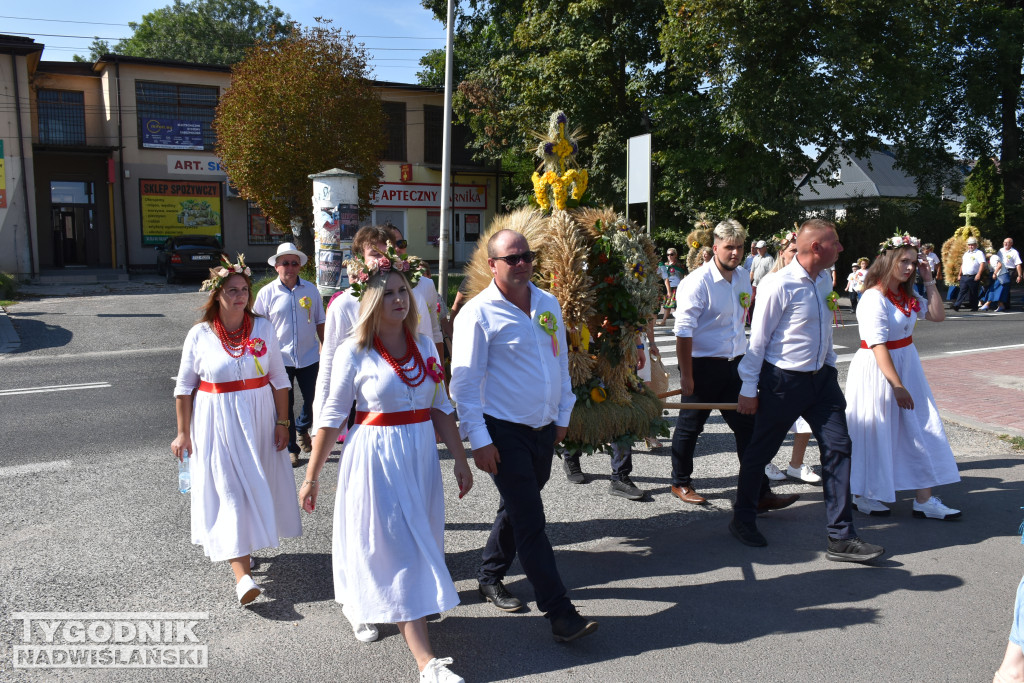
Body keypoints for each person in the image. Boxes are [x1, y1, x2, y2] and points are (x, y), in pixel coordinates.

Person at [299, 245, 473, 683]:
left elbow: (440, 406)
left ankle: (391, 604)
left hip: (418, 455)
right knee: (393, 546)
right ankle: (426, 663)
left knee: (419, 539)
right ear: (372, 300)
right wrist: (312, 476)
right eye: (389, 292)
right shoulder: (354, 351)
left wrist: (460, 460)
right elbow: (331, 416)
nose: (399, 298)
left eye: (403, 290)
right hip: (375, 457)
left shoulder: (423, 348)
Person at [450, 229, 598, 643]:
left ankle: (489, 575)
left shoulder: (547, 303)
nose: (521, 264)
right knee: (531, 520)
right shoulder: (476, 314)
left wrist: (563, 414)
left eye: (526, 256)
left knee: (518, 508)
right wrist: (478, 439)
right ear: (492, 265)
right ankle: (560, 614)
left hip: (543, 430)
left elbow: (560, 362)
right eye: (511, 258)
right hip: (503, 431)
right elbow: (462, 385)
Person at [733, 219, 885, 562]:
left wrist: (829, 365)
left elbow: (823, 331)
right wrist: (748, 387)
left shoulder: (821, 282)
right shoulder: (778, 284)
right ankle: (743, 518)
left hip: (821, 382)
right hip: (783, 382)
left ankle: (841, 537)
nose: (842, 248)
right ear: (817, 247)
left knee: (839, 447)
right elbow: (758, 341)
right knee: (760, 451)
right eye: (836, 242)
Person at [171, 257, 301, 605]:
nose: (241, 296)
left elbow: (279, 380)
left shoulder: (263, 328)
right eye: (233, 290)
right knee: (229, 492)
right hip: (216, 422)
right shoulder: (199, 334)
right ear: (217, 294)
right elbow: (184, 388)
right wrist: (183, 434)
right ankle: (242, 577)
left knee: (252, 488)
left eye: (245, 290)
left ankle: (242, 548)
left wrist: (282, 421)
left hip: (259, 419)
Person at [670, 219, 798, 511]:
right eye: (729, 247)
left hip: (735, 365)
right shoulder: (696, 282)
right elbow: (683, 332)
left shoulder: (742, 277)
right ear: (715, 247)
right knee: (690, 427)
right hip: (701, 366)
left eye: (740, 247)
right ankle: (680, 481)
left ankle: (759, 491)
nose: (735, 253)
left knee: (749, 428)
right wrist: (686, 375)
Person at [846, 234, 961, 519]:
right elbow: (877, 344)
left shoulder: (905, 296)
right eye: (904, 261)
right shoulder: (874, 298)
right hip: (878, 369)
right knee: (876, 430)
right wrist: (896, 385)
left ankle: (924, 500)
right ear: (887, 261)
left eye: (913, 262)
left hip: (907, 364)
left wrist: (929, 277)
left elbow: (937, 316)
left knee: (919, 427)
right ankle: (863, 493)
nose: (909, 267)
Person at [311, 225, 391, 434]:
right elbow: (329, 360)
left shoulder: (402, 298)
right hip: (360, 400)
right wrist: (321, 419)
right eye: (374, 254)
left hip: (396, 395)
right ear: (358, 259)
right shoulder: (344, 304)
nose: (381, 260)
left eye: (385, 253)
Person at [254, 242, 326, 466]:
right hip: (279, 359)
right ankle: (292, 449)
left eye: (295, 263)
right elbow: (257, 327)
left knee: (316, 399)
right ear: (277, 266)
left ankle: (303, 426)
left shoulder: (311, 290)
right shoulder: (267, 293)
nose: (290, 267)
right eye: (285, 263)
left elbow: (320, 321)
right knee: (284, 404)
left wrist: (327, 347)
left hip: (309, 356)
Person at [761, 232, 822, 486]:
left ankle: (796, 465)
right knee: (772, 424)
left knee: (805, 422)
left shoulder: (815, 280)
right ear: (782, 254)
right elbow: (763, 332)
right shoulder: (773, 281)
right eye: (792, 251)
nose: (796, 256)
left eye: (800, 250)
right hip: (779, 366)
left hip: (806, 367)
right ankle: (763, 461)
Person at [560, 331, 650, 500]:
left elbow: (628, 317)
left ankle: (620, 476)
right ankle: (571, 456)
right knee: (579, 408)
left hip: (615, 347)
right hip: (578, 348)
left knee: (622, 409)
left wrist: (638, 345)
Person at [390, 226, 445, 361]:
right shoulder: (374, 289)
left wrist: (441, 371)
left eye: (401, 243)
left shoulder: (426, 284)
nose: (397, 249)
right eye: (391, 245)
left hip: (425, 363)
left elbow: (435, 331)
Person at [953, 236, 987, 311]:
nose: (970, 246)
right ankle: (957, 305)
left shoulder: (979, 253)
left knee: (973, 292)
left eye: (972, 244)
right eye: (969, 245)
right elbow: (963, 264)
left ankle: (974, 307)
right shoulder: (966, 254)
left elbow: (982, 264)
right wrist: (959, 274)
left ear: (976, 245)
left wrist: (979, 274)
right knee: (962, 291)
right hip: (965, 275)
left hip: (973, 275)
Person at [748, 239, 774, 323]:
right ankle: (749, 320)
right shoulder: (755, 258)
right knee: (751, 302)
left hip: (764, 286)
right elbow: (752, 271)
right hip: (755, 284)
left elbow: (772, 273)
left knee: (762, 303)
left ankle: (760, 321)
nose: (758, 250)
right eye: (757, 248)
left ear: (765, 248)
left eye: (760, 248)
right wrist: (749, 282)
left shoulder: (770, 259)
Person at [658, 247, 684, 326]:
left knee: (677, 305)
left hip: (677, 286)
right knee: (667, 304)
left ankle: (679, 322)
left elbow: (682, 276)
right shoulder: (665, 265)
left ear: (675, 255)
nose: (670, 256)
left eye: (672, 254)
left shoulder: (679, 265)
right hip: (668, 286)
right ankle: (663, 321)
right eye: (668, 254)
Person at [999, 238, 1023, 311]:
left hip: (1009, 270)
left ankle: (1006, 304)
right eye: (1005, 242)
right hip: (1000, 270)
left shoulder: (1014, 252)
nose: (1006, 244)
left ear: (1011, 244)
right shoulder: (1000, 250)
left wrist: (1019, 275)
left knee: (1006, 287)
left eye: (1008, 242)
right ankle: (1000, 303)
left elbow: (1018, 264)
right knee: (1000, 287)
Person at [982, 247, 1007, 312]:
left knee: (994, 289)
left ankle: (987, 304)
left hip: (1000, 276)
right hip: (997, 276)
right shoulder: (988, 260)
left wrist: (994, 273)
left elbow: (999, 265)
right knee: (995, 290)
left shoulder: (994, 257)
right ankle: (1001, 305)